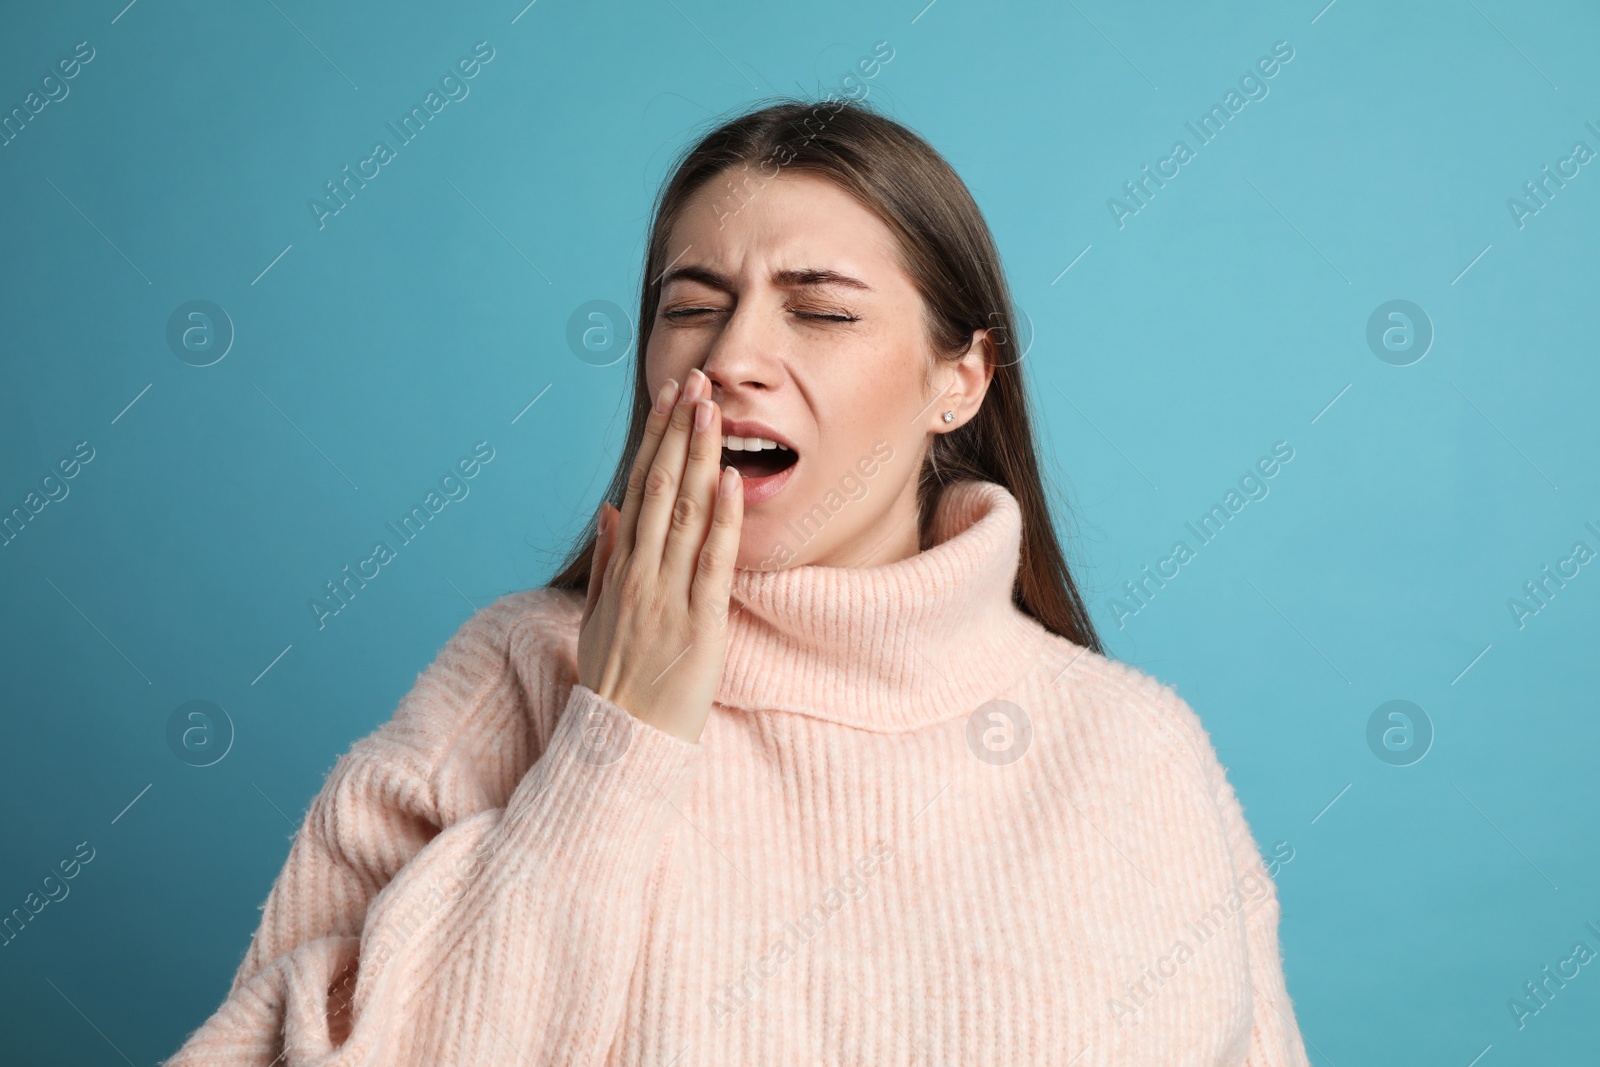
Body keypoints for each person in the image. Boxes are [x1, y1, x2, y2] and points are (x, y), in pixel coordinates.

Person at [166, 97, 1311, 1066]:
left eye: (818, 310)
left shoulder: (1136, 754)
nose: (729, 359)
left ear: (957, 381)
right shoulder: (511, 681)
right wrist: (612, 740)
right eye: (692, 306)